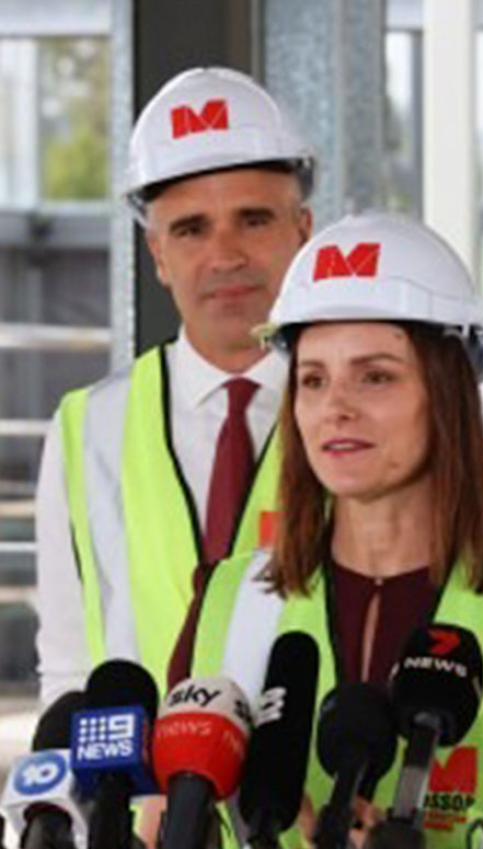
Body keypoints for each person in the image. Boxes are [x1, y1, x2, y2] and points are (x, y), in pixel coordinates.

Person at [171, 212, 483, 849]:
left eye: (375, 376)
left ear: (446, 394)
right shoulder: (223, 602)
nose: (336, 406)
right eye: (313, 380)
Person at [35, 67, 314, 703]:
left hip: (320, 798)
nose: (225, 256)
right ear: (157, 253)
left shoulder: (374, 417)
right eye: (191, 229)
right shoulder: (87, 430)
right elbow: (68, 669)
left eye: (253, 220)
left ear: (303, 231)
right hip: (144, 802)